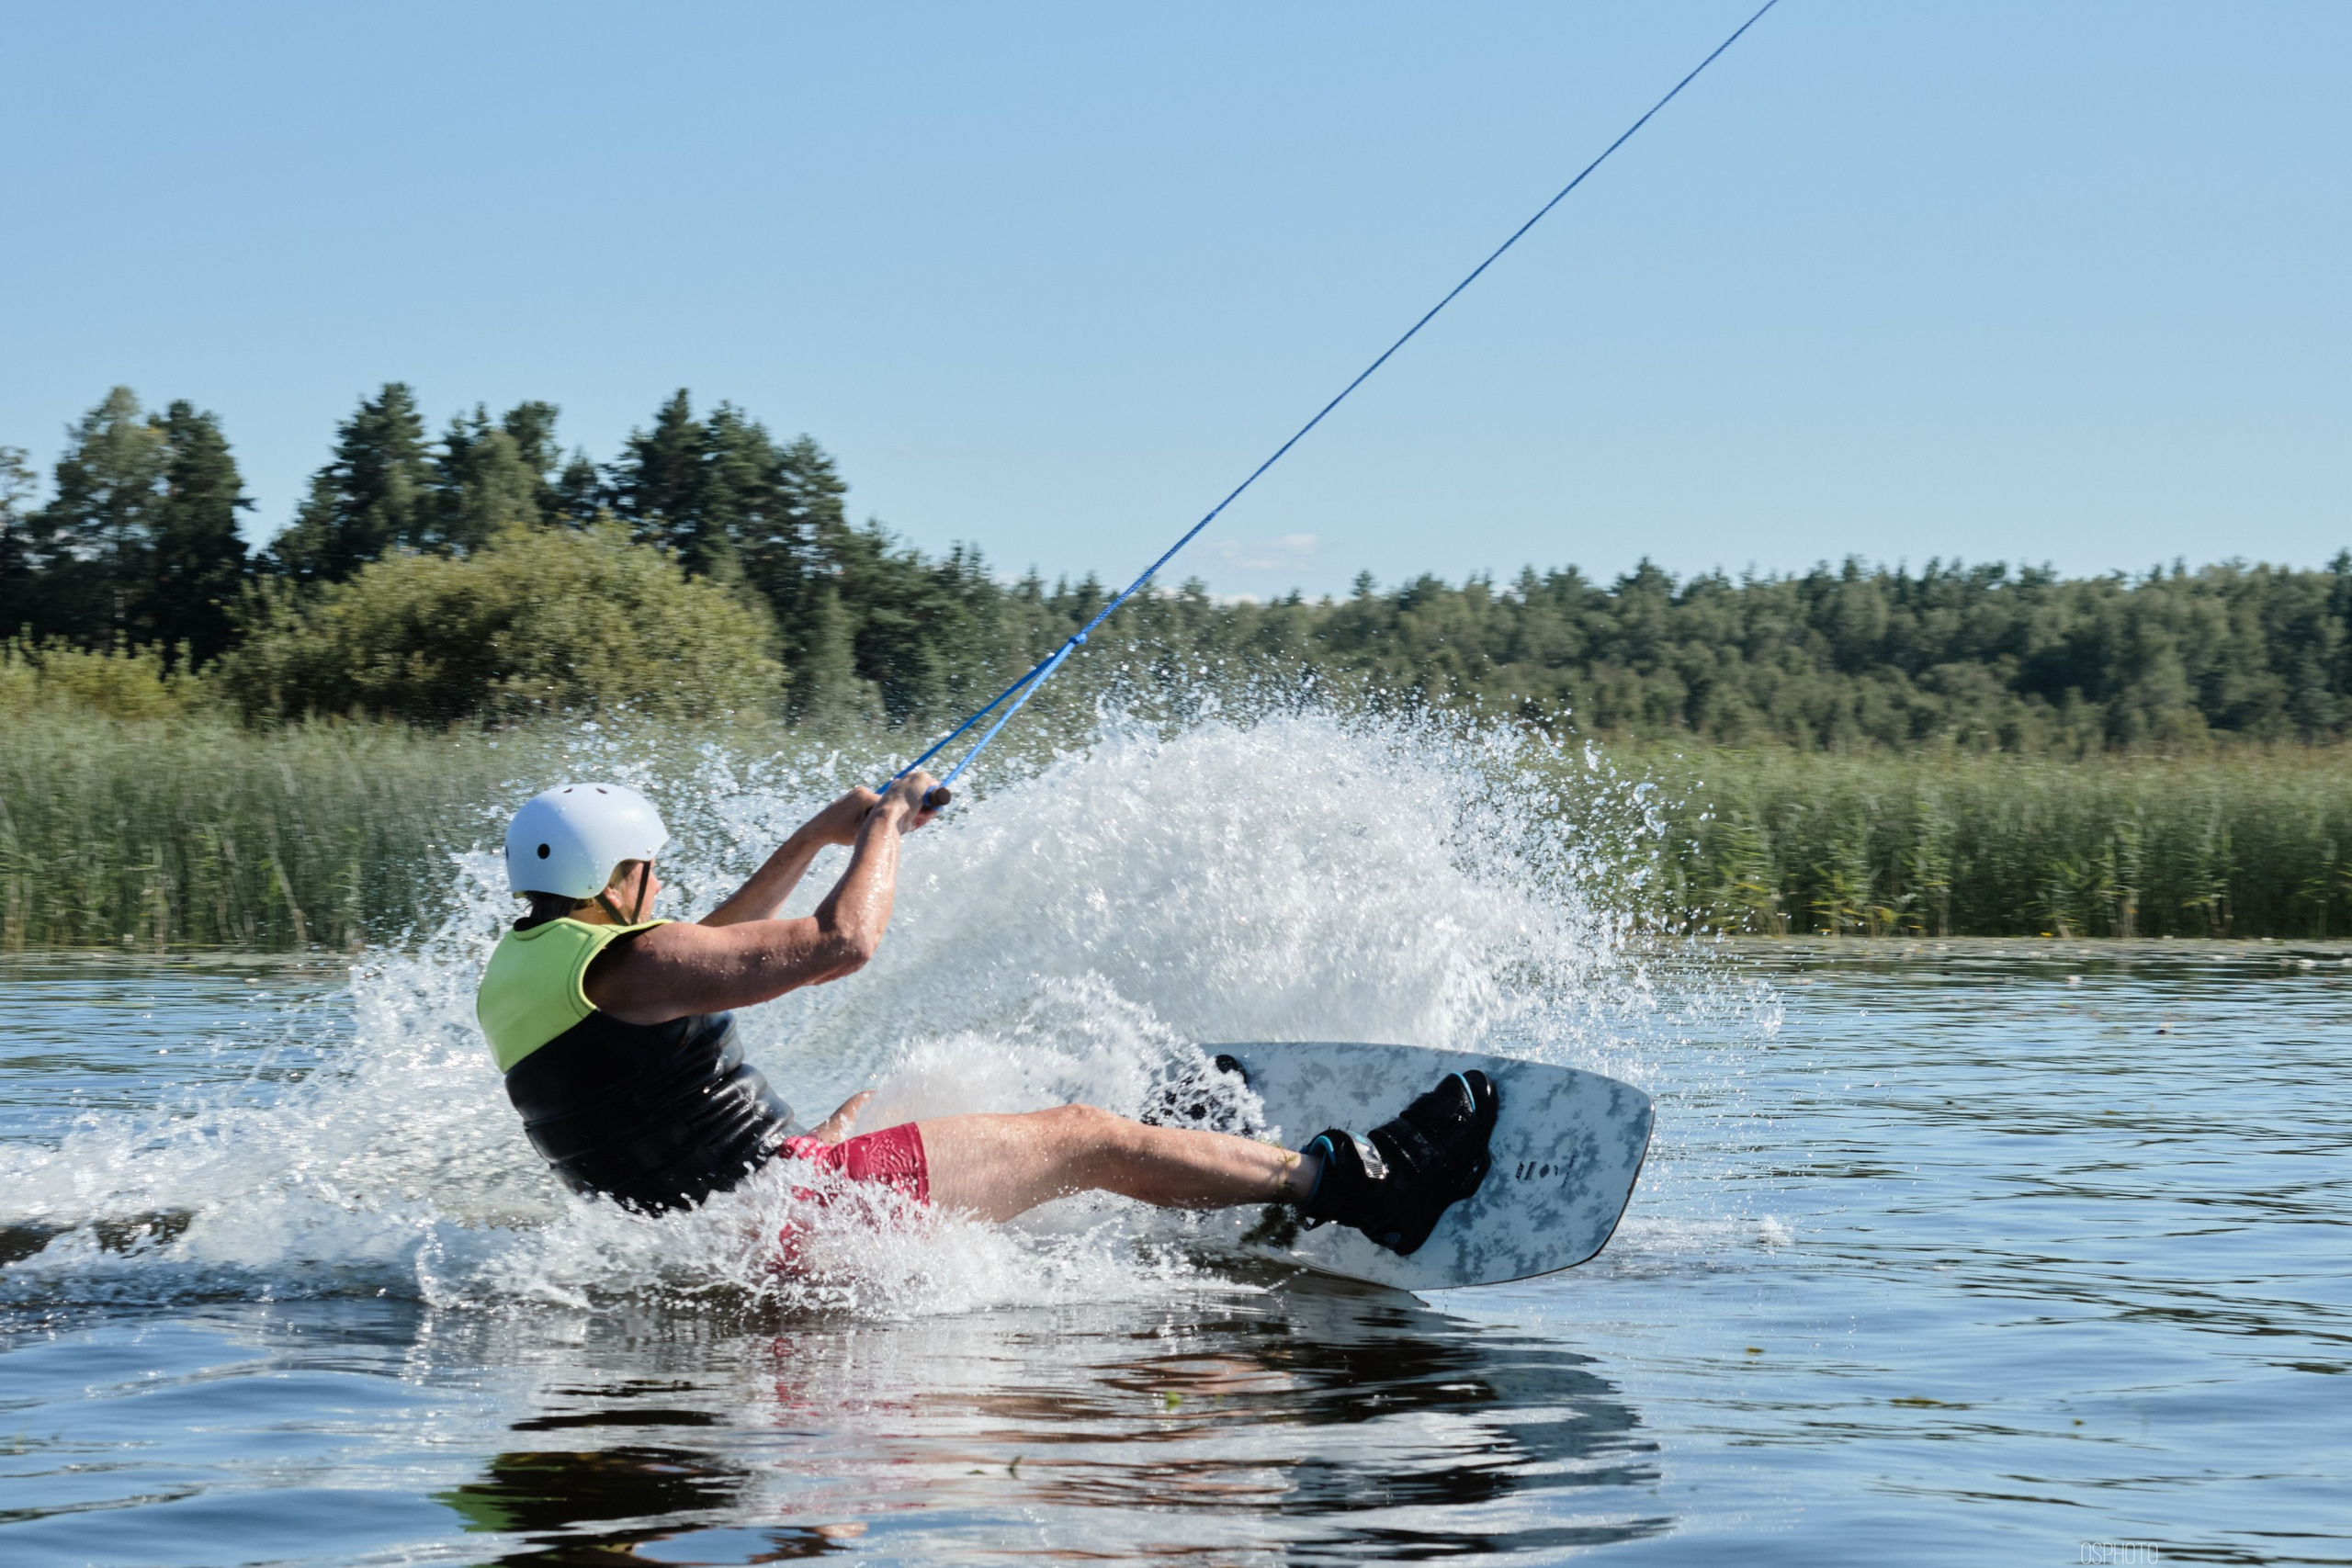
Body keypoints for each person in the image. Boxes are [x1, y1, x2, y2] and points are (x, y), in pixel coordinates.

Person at [474, 774, 1498, 1256]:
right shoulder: (628, 962)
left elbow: (715, 940)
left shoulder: (538, 968)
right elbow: (842, 945)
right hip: (795, 1218)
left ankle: (1207, 1161)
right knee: (1079, 1137)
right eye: (647, 874)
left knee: (957, 1101)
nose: (660, 891)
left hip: (751, 1216)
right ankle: (1368, 1186)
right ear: (619, 878)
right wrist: (883, 834)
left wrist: (817, 834)